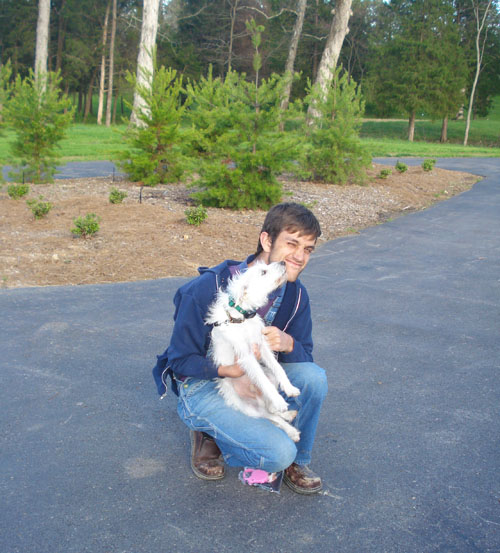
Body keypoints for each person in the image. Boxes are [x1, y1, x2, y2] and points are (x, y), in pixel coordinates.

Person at [153, 202, 328, 494]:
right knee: (278, 453)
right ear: (267, 240)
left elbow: (305, 359)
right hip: (204, 384)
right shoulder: (210, 287)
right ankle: (209, 432)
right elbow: (180, 361)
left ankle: (298, 461)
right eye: (291, 244)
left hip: (256, 375)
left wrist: (289, 344)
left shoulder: (296, 296)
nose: (300, 257)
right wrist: (229, 371)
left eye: (308, 249)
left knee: (314, 378)